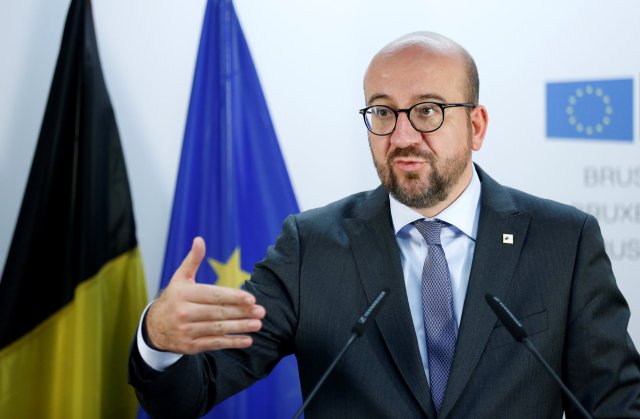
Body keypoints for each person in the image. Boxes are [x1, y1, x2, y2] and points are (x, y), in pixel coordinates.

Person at [128, 32, 640, 418]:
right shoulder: (311, 247)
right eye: (382, 113)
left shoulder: (563, 242)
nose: (402, 135)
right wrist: (159, 341)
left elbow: (616, 405)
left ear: (476, 125)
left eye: (428, 111)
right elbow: (193, 393)